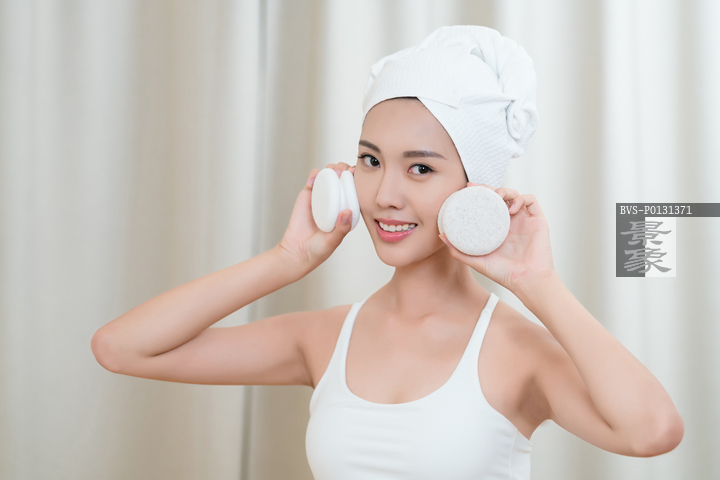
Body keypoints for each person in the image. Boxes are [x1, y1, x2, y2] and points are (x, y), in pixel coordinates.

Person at [92, 26, 683, 479]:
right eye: (370, 161)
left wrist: (538, 283)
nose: (384, 195)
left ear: (476, 193)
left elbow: (652, 431)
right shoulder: (325, 338)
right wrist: (288, 258)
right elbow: (120, 347)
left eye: (420, 168)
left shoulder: (518, 351)